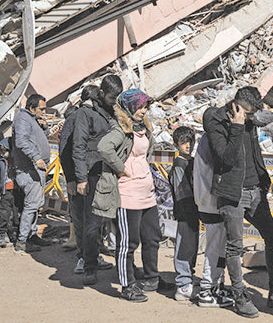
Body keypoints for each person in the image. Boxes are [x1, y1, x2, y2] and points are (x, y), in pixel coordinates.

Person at [204, 86, 273, 318]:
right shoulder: (217, 122)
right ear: (236, 106)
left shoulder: (250, 120)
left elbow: (254, 151)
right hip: (233, 193)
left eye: (252, 114)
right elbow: (226, 158)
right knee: (235, 245)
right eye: (248, 113)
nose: (251, 118)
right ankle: (240, 295)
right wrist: (236, 126)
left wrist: (264, 179)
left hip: (256, 191)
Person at [96, 88, 161, 302]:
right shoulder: (120, 129)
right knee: (128, 243)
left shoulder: (143, 128)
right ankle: (128, 285)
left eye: (146, 106)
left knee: (151, 238)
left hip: (147, 194)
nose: (144, 110)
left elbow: (146, 154)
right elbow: (104, 148)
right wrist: (121, 168)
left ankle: (152, 278)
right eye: (141, 106)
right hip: (128, 194)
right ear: (130, 106)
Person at [70, 75, 122, 285]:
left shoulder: (116, 113)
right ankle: (90, 266)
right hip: (93, 175)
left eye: (117, 98)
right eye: (111, 98)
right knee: (92, 224)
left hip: (114, 175)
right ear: (102, 93)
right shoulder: (85, 113)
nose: (114, 101)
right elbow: (78, 147)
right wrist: (80, 178)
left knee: (121, 223)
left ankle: (124, 266)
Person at [59, 85, 114, 274]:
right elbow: (65, 151)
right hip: (80, 178)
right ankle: (83, 257)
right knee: (81, 218)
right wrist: (71, 179)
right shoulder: (76, 118)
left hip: (94, 176)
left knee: (94, 219)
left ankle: (93, 254)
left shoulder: (102, 116)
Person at [192, 131, 233, 308]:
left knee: (219, 248)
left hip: (207, 202)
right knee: (214, 249)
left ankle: (217, 285)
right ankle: (207, 290)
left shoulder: (205, 140)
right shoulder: (213, 142)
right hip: (212, 203)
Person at [11, 94, 52, 253]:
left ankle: (32, 235)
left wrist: (44, 128)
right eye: (41, 109)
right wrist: (36, 158)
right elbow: (21, 141)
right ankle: (22, 241)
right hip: (29, 170)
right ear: (31, 107)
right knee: (31, 206)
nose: (43, 111)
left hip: (36, 170)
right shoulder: (23, 119)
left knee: (35, 206)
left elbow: (39, 139)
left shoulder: (32, 120)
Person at [168, 126, 200, 302]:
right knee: (184, 247)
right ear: (176, 145)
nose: (188, 146)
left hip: (193, 212)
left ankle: (188, 279)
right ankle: (183, 284)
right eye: (183, 143)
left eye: (191, 142)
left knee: (191, 248)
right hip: (185, 212)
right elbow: (182, 193)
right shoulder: (179, 165)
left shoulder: (193, 161)